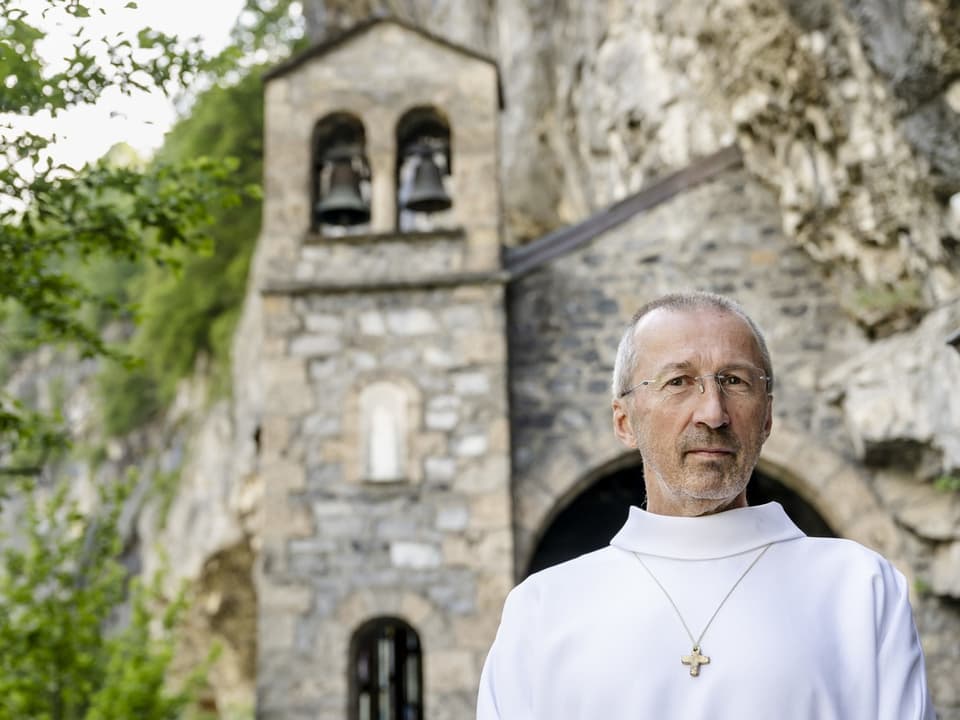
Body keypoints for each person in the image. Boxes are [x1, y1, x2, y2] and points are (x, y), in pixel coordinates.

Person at [477, 291, 934, 719]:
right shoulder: (542, 609)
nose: (713, 413)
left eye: (734, 381)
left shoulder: (861, 588)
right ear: (624, 421)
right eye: (679, 381)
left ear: (768, 416)